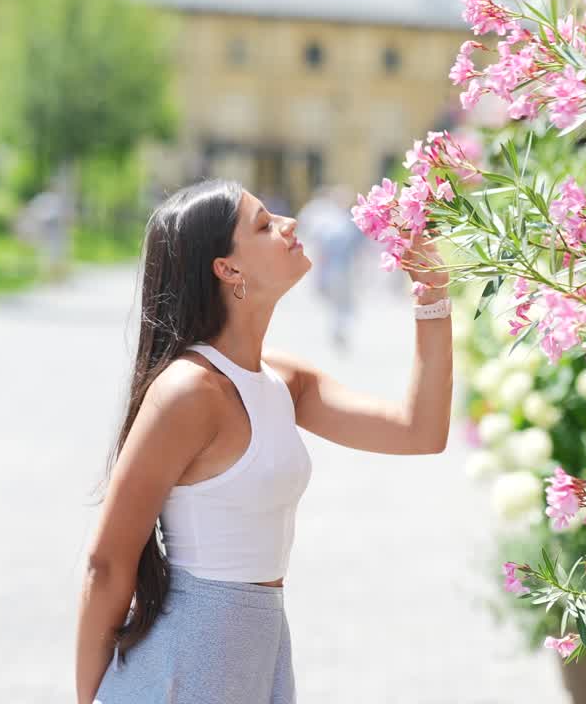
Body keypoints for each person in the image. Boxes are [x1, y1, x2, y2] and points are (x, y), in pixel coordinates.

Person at [76, 180, 453, 704]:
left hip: (258, 649)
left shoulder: (281, 379)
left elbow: (421, 432)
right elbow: (109, 562)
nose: (290, 223)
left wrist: (433, 293)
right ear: (227, 269)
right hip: (189, 659)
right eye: (263, 223)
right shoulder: (189, 391)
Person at [297, 186, 365, 351]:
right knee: (341, 302)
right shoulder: (338, 221)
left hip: (336, 269)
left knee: (340, 302)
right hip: (337, 269)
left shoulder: (335, 220)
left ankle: (338, 328)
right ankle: (339, 328)